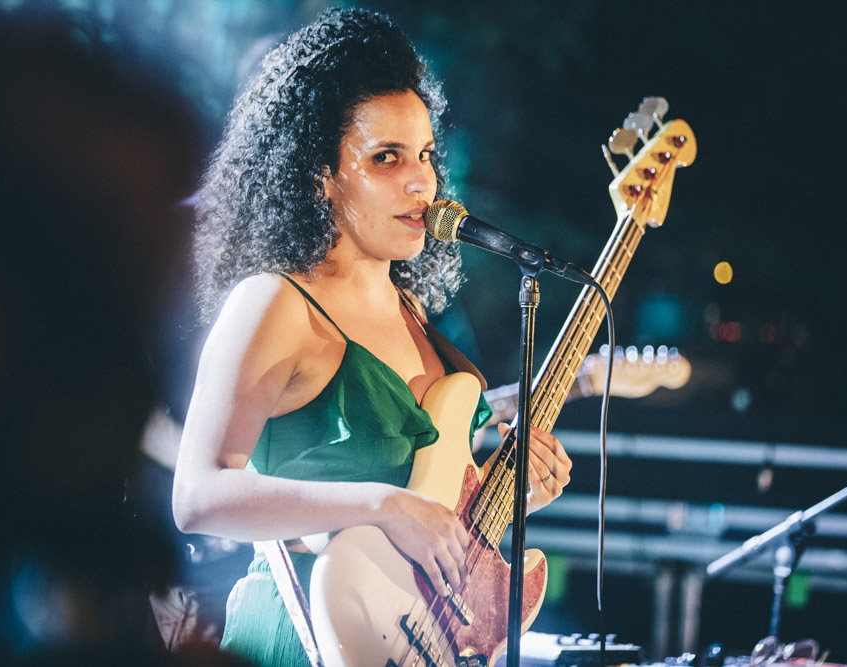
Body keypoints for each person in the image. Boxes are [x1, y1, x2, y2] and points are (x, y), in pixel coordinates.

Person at [171, 8, 572, 666]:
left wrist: (511, 489)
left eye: (424, 155)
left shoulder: (408, 307)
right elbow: (197, 495)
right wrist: (384, 505)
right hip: (295, 638)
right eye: (387, 158)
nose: (422, 180)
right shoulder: (275, 302)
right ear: (319, 174)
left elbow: (425, 505)